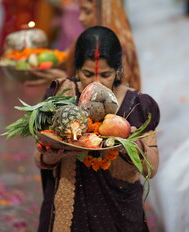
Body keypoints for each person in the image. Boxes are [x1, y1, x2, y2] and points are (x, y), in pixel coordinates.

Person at [34, 26, 160, 232]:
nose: (95, 84)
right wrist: (53, 154)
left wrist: (129, 145)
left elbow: (152, 169)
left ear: (118, 71)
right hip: (69, 209)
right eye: (86, 74)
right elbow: (40, 158)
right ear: (76, 69)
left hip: (119, 211)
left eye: (106, 75)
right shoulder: (62, 96)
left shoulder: (137, 104)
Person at [26, 0, 142, 91]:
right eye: (80, 11)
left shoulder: (120, 46)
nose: (81, 18)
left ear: (105, 11)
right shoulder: (85, 40)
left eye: (87, 11)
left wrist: (67, 83)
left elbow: (114, 99)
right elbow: (64, 61)